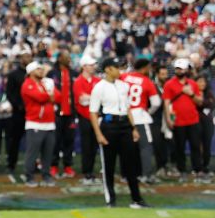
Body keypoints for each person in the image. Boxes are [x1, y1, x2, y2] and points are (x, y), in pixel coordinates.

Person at [89, 58, 148, 208]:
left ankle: (136, 199)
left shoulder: (123, 86)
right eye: (117, 67)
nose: (120, 70)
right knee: (109, 165)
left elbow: (128, 108)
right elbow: (93, 112)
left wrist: (133, 128)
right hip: (109, 126)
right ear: (108, 69)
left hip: (125, 126)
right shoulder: (99, 87)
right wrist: (98, 134)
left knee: (130, 165)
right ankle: (111, 200)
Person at [162, 58, 205, 180]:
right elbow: (166, 103)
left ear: (187, 69)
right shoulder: (169, 84)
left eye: (181, 68)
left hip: (193, 120)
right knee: (179, 148)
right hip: (178, 121)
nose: (179, 71)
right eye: (177, 68)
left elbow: (200, 102)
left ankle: (198, 169)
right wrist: (168, 119)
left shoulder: (193, 84)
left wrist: (191, 93)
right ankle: (182, 171)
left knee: (196, 146)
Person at [121, 58, 162, 185]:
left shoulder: (123, 77)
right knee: (145, 147)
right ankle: (146, 174)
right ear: (144, 68)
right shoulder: (147, 81)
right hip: (139, 116)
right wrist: (148, 112)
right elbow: (156, 102)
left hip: (124, 116)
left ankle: (125, 174)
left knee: (126, 148)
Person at [19, 60, 57, 187]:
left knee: (48, 153)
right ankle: (29, 176)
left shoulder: (44, 83)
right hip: (35, 123)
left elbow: (57, 96)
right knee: (32, 153)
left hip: (49, 123)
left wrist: (49, 95)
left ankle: (46, 175)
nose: (41, 71)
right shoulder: (27, 84)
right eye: (38, 69)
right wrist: (49, 95)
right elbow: (41, 98)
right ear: (30, 72)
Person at [49, 50, 77, 178]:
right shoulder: (52, 73)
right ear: (60, 58)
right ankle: (53, 165)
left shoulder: (74, 73)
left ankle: (68, 166)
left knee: (69, 141)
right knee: (55, 141)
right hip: (56, 113)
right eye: (67, 56)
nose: (69, 58)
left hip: (70, 113)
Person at [72, 56, 100, 184]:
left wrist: (90, 98)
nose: (93, 67)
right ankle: (86, 171)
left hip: (96, 116)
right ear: (84, 66)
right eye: (90, 65)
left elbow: (101, 98)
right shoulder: (78, 81)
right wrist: (94, 98)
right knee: (87, 145)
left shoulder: (98, 80)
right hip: (85, 117)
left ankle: (91, 171)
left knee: (94, 146)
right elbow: (82, 100)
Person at [3, 49, 30, 175]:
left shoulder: (33, 74)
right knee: (15, 140)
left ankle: (33, 164)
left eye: (29, 56)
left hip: (31, 112)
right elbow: (9, 93)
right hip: (18, 113)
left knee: (32, 140)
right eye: (25, 56)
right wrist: (18, 105)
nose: (27, 58)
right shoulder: (14, 74)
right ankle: (11, 164)